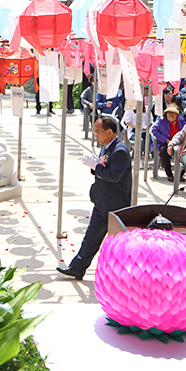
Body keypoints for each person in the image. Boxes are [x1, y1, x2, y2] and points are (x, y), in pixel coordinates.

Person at [57, 115, 132, 280]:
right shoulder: (106, 146)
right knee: (91, 237)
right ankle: (77, 268)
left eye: (98, 132)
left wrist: (96, 166)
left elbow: (113, 176)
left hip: (116, 204)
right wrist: (96, 166)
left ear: (110, 132)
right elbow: (103, 168)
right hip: (102, 200)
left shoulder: (120, 151)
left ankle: (122, 274)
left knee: (118, 243)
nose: (96, 136)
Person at [151, 105, 185, 182]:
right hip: (165, 142)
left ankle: (180, 174)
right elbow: (154, 130)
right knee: (163, 151)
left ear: (177, 115)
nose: (171, 114)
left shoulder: (181, 121)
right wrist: (166, 140)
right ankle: (169, 174)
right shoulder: (161, 120)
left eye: (173, 113)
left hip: (179, 143)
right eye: (169, 112)